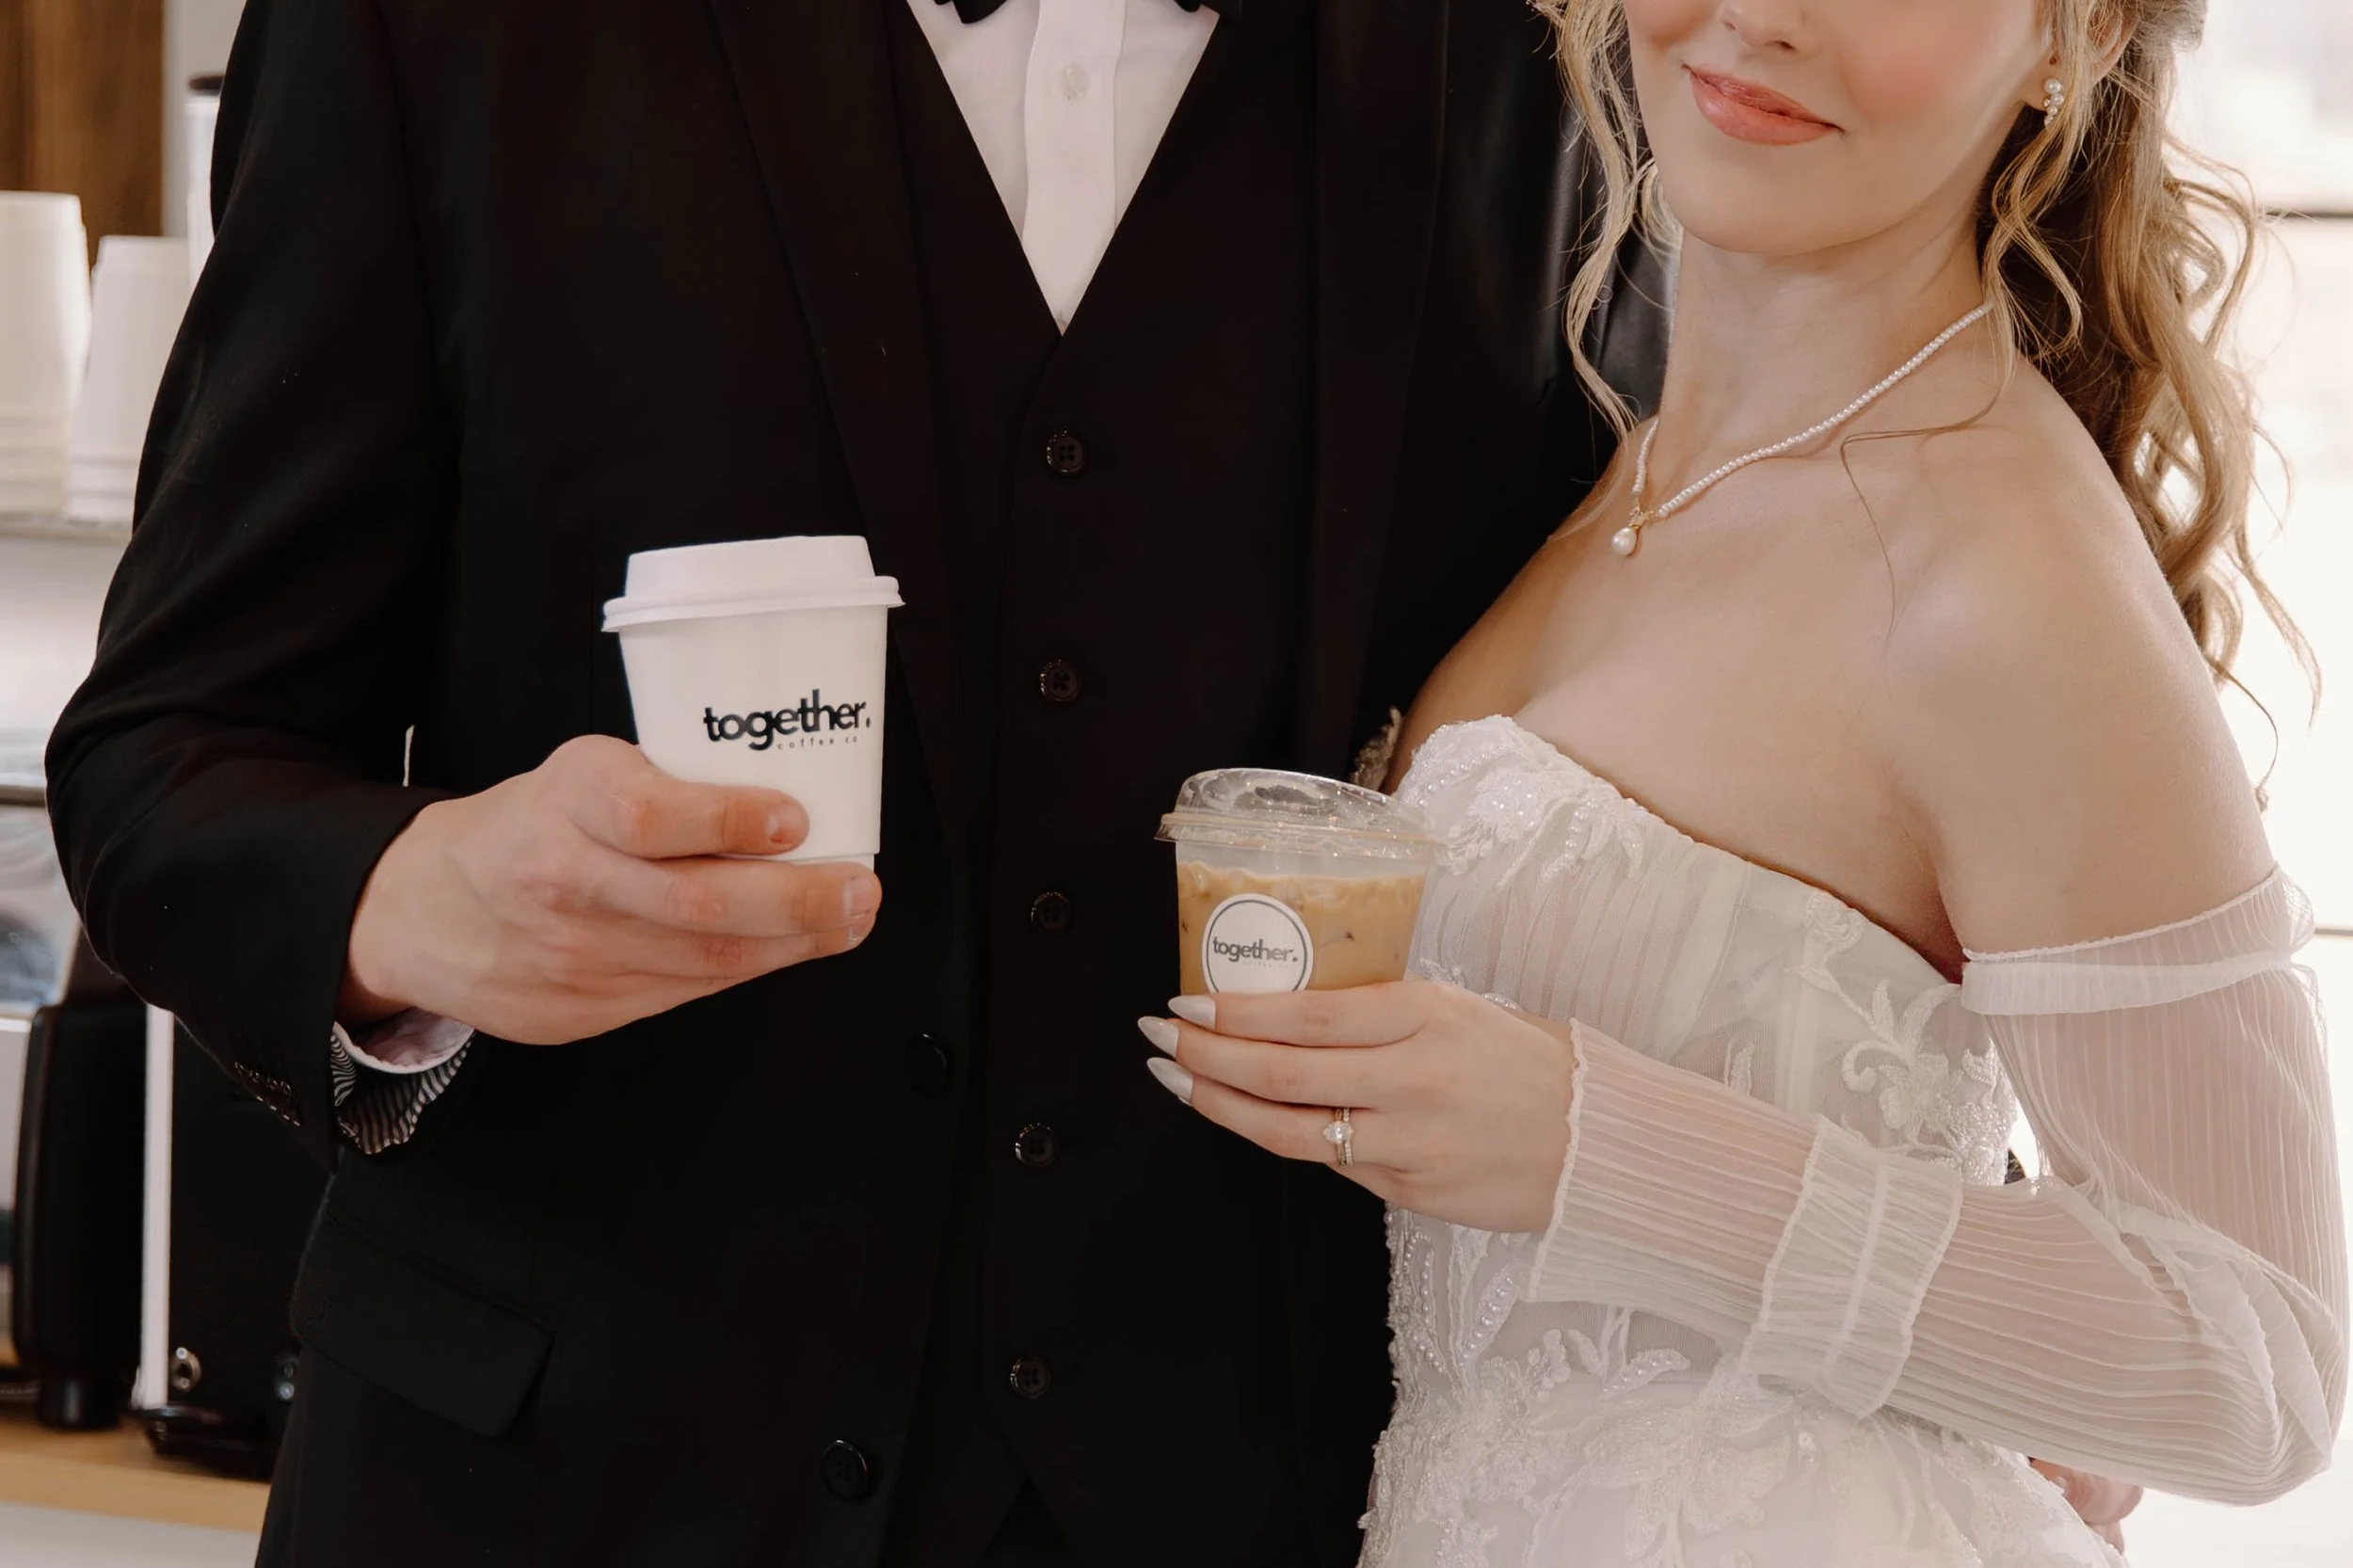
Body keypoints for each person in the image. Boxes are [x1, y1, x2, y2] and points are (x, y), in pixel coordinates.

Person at [45, 0, 1684, 1562]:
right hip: (549, 1489)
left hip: (1251, 1494)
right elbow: (162, 756)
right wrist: (412, 912)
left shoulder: (1558, 64)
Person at [1142, 1, 2347, 1563]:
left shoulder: (2004, 577)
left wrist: (1591, 1142)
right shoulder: (1623, 466)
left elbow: (2262, 1367)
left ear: (2085, 33)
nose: (1766, 16)